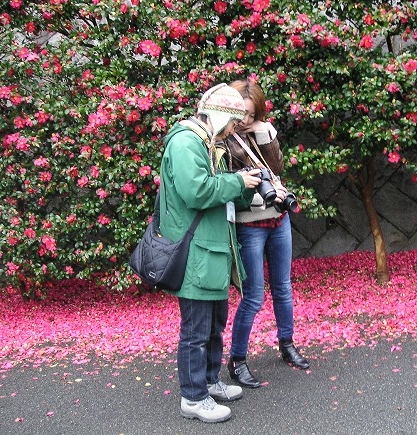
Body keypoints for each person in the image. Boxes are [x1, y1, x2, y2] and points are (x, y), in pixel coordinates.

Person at [159, 83, 262, 423]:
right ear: (219, 117)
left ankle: (209, 381)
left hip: (214, 250)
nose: (234, 130)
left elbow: (219, 192)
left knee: (214, 324)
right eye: (232, 122)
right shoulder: (186, 142)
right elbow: (197, 191)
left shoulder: (208, 142)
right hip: (196, 253)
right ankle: (193, 397)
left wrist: (243, 186)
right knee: (196, 330)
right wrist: (237, 183)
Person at [225, 79, 310, 389]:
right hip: (249, 224)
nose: (245, 120)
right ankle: (237, 359)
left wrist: (263, 130)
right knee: (253, 296)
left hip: (278, 218)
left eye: (252, 114)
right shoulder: (223, 138)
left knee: (283, 287)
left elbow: (276, 167)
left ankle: (287, 344)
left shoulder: (260, 130)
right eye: (242, 113)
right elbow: (233, 184)